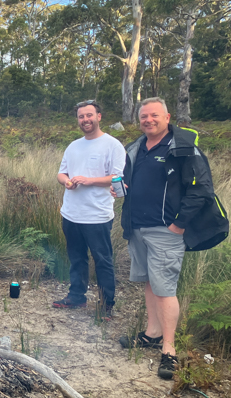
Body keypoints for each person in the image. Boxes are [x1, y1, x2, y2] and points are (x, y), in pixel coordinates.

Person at [119, 97, 228, 380]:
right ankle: (152, 334)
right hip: (137, 227)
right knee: (149, 283)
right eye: (144, 116)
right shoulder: (136, 148)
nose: (148, 120)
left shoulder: (182, 148)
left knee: (165, 288)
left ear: (167, 117)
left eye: (154, 115)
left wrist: (179, 225)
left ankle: (169, 350)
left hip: (166, 231)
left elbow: (202, 189)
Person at [54, 100, 126, 317]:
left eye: (89, 115)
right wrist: (67, 182)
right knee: (76, 258)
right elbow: (61, 173)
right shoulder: (73, 146)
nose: (85, 120)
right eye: (81, 116)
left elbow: (117, 177)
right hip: (71, 213)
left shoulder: (113, 145)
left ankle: (107, 305)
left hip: (97, 216)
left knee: (102, 260)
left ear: (99, 116)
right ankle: (76, 297)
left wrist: (89, 180)